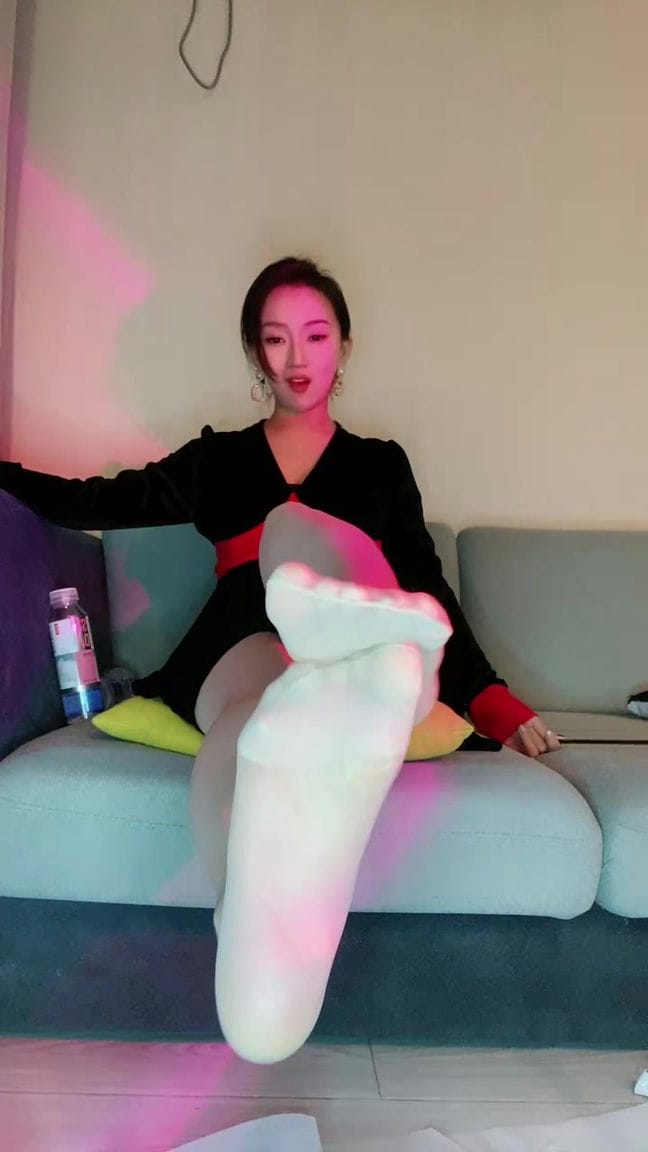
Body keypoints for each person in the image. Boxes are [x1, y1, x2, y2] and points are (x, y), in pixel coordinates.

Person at [0, 256, 560, 1064]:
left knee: (300, 547)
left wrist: (495, 702)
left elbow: (428, 582)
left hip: (355, 608)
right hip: (246, 634)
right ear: (255, 354)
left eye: (315, 335)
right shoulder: (219, 459)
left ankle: (343, 641)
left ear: (344, 347)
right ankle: (253, 904)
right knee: (250, 712)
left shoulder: (379, 463)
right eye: (275, 339)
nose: (296, 357)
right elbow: (95, 499)